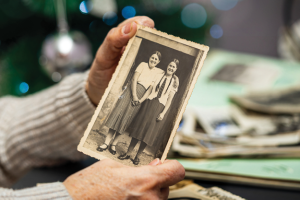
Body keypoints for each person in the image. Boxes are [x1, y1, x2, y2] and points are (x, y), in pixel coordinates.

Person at [0, 16, 185, 199]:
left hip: (144, 99)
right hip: (134, 94)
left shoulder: (164, 77)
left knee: (132, 125)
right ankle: (109, 143)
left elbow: (3, 130)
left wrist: (90, 96)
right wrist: (75, 195)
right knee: (119, 121)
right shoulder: (144, 67)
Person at [96, 51, 164, 155]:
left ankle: (113, 144)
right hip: (130, 92)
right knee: (118, 115)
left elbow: (150, 89)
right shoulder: (142, 64)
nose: (153, 60)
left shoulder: (157, 73)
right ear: (149, 57)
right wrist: (134, 95)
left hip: (141, 98)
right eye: (152, 57)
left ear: (158, 61)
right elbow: (134, 79)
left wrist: (140, 100)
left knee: (126, 120)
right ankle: (106, 143)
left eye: (156, 59)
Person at [120, 59, 180, 165]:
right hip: (149, 104)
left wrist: (162, 113)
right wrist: (140, 100)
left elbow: (169, 101)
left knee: (148, 133)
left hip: (159, 107)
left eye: (173, 67)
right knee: (139, 129)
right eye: (170, 65)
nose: (171, 68)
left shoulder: (174, 83)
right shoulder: (159, 75)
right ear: (167, 66)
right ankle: (128, 153)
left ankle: (137, 157)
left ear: (175, 69)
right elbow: (149, 90)